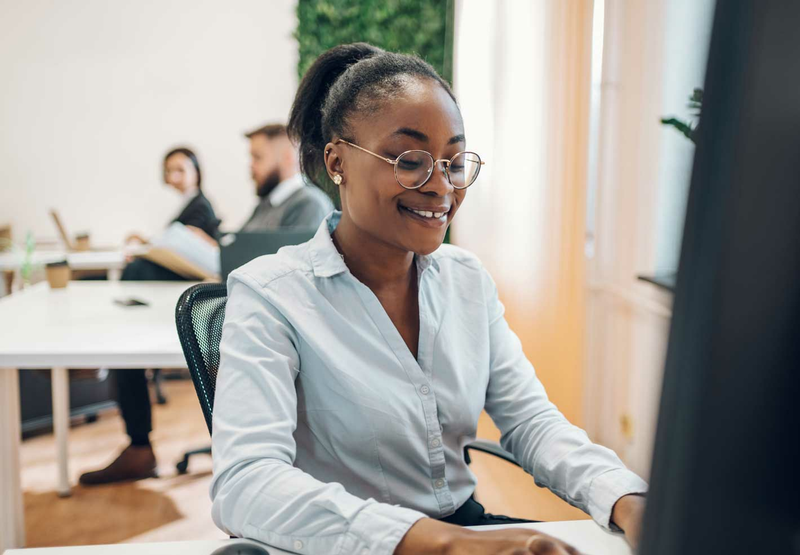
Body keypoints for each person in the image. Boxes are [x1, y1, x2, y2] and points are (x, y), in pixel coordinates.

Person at [210, 43, 648, 555]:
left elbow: (531, 422)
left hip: (465, 531)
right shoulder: (271, 294)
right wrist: (441, 544)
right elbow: (245, 483)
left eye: (454, 162)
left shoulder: (466, 280)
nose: (441, 186)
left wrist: (627, 499)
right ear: (338, 161)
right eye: (410, 159)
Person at [79, 147, 221, 485]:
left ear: (196, 172)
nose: (174, 177)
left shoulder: (200, 207)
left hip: (195, 304)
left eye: (180, 170)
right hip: (184, 298)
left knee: (135, 276)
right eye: (169, 171)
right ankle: (138, 447)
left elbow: (203, 254)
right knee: (134, 275)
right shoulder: (189, 206)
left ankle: (139, 448)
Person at [240, 122, 333, 231]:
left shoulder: (309, 205)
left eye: (258, 157)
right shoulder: (264, 206)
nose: (252, 166)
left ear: (288, 158)